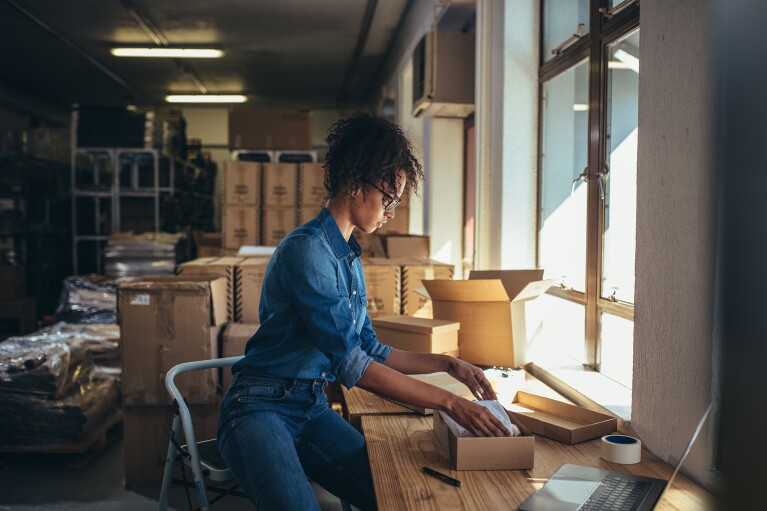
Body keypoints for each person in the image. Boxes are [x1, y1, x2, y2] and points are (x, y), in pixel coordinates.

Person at [218, 113, 510, 511]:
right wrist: (451, 402)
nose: (390, 213)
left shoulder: (349, 256)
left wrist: (447, 363)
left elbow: (369, 348)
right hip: (259, 407)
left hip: (311, 408)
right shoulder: (309, 250)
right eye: (389, 200)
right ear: (357, 185)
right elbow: (351, 365)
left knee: (397, 494)